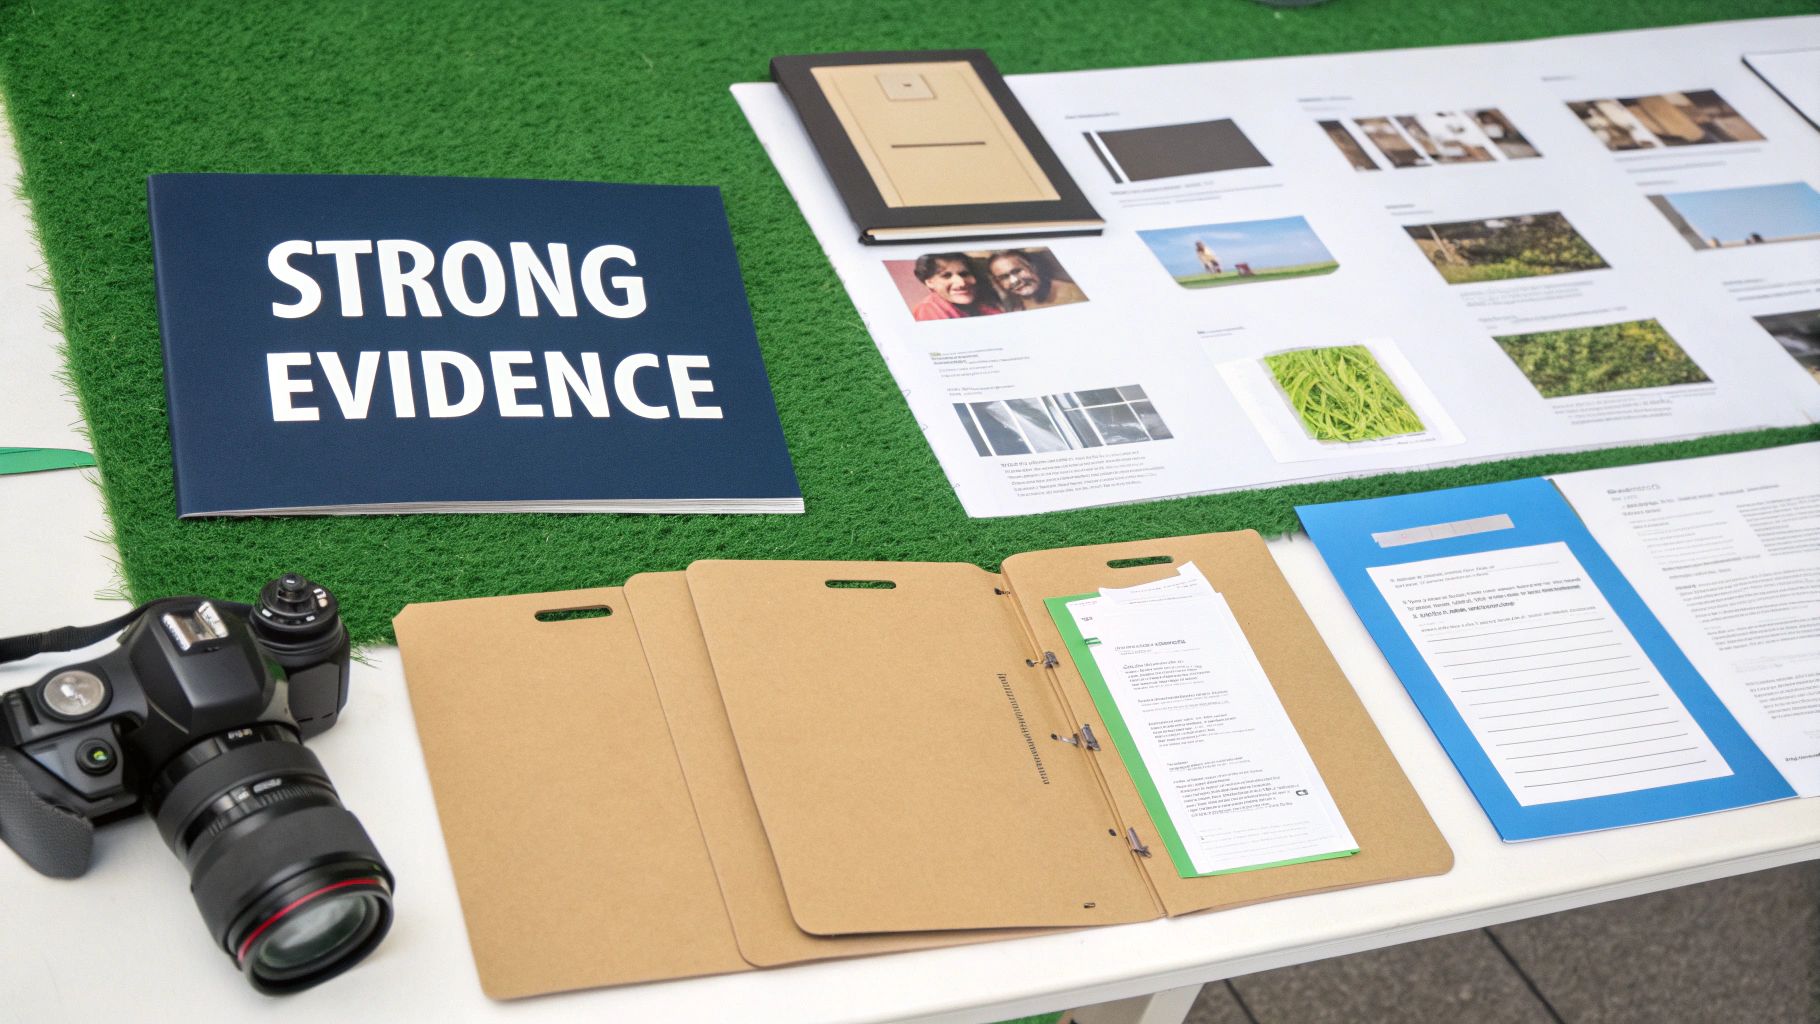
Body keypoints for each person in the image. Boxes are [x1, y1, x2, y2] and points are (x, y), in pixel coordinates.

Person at [984, 250, 1087, 312]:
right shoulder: (1013, 304)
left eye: (1018, 271)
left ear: (1033, 267)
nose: (1014, 281)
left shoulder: (1073, 295)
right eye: (1004, 277)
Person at [910, 253, 1003, 321]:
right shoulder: (928, 309)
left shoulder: (983, 304)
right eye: (946, 276)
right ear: (930, 283)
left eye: (964, 274)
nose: (961, 283)